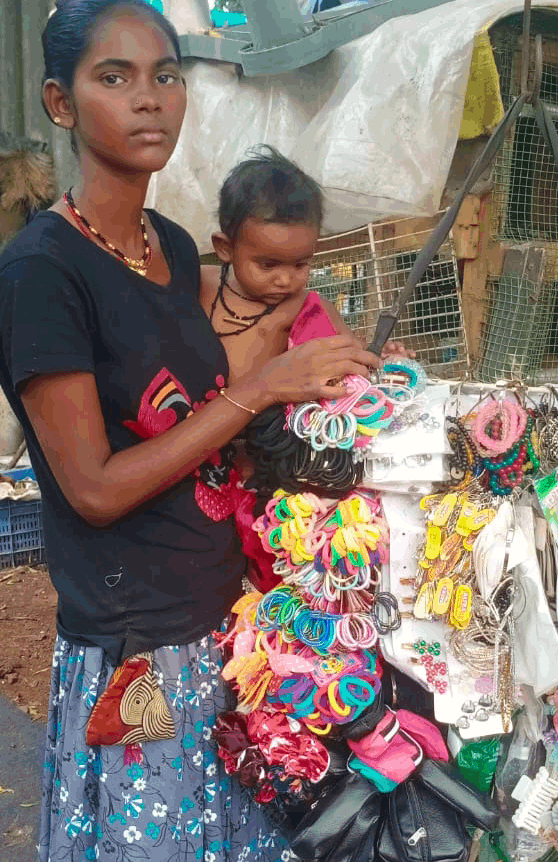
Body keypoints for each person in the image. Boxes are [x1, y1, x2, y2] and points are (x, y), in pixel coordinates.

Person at [0, 1, 380, 860]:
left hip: (223, 624)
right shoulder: (42, 274)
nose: (149, 99)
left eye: (165, 75)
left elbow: (210, 400)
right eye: (114, 78)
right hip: (140, 647)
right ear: (61, 105)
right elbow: (93, 488)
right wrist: (262, 389)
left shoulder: (169, 246)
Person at [199, 145, 410, 385]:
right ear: (225, 248)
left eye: (300, 265)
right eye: (268, 265)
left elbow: (354, 360)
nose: (286, 280)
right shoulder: (200, 284)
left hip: (268, 420)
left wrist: (387, 364)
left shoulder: (306, 308)